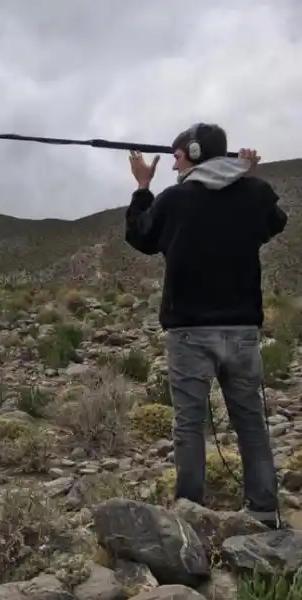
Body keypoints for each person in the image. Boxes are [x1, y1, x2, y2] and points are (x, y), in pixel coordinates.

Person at [124, 122, 287, 529]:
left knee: (189, 425)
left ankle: (190, 515)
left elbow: (139, 235)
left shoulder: (173, 200)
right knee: (250, 421)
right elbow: (274, 221)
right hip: (243, 331)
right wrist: (246, 176)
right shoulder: (254, 195)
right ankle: (265, 511)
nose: (174, 161)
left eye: (178, 154)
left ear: (194, 153)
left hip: (189, 332)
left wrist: (143, 187)